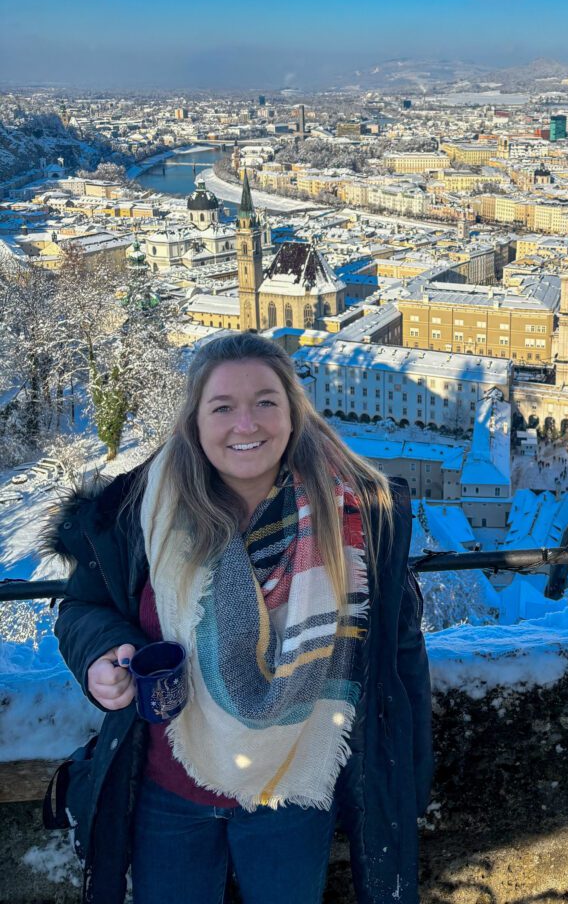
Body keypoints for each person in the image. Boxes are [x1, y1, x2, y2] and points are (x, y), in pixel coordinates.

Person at [46, 332, 432, 904]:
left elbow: (400, 655)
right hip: (166, 787)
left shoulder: (358, 513)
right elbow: (83, 608)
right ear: (194, 421)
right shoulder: (138, 511)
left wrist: (406, 775)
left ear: (294, 413)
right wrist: (103, 654)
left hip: (295, 791)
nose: (245, 425)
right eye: (222, 407)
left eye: (265, 402)